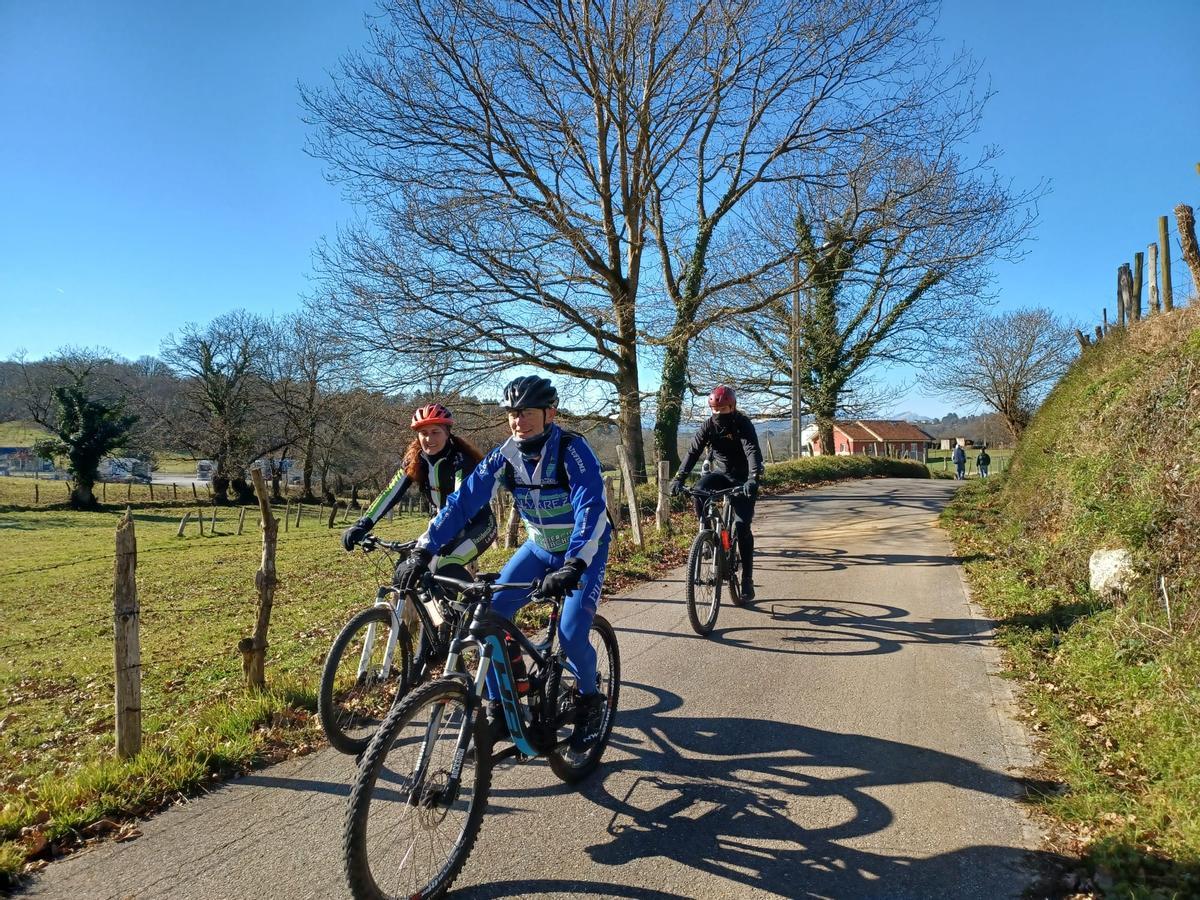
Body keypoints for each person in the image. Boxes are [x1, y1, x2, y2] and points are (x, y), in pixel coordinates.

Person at [393, 375, 611, 752]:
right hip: (540, 547)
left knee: (573, 632)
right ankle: (499, 709)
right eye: (512, 413)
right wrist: (424, 551)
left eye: (526, 412)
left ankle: (590, 701)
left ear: (549, 414)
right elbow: (462, 503)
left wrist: (574, 564)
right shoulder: (504, 457)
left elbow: (591, 507)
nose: (517, 420)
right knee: (489, 619)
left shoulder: (573, 451)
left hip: (582, 553)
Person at [340, 403, 497, 579]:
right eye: (424, 433)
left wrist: (434, 544)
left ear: (447, 433)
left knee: (445, 567)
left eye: (435, 432)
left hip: (477, 526)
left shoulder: (461, 461)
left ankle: (473, 604)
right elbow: (390, 493)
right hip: (442, 525)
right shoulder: (415, 460)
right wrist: (363, 525)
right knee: (406, 572)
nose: (429, 439)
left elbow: (459, 506)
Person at [669, 385, 764, 602]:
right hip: (721, 473)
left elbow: (751, 450)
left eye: (723, 409)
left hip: (743, 478)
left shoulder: (742, 423)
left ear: (733, 406)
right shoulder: (708, 426)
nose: (718, 413)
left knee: (741, 526)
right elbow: (693, 452)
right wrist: (678, 479)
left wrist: (753, 479)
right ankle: (708, 535)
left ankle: (747, 579)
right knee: (699, 490)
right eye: (714, 409)